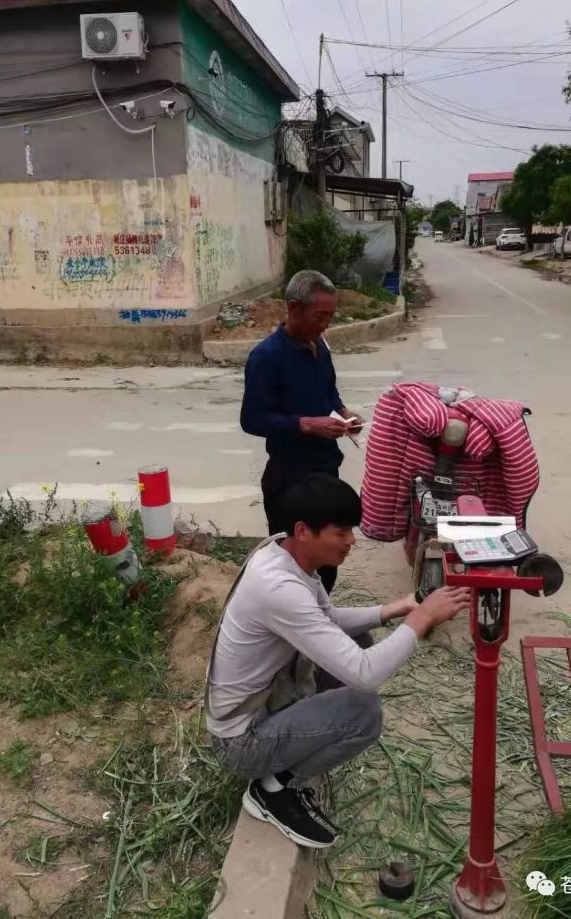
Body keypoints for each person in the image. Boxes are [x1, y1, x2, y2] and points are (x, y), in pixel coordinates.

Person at [205, 474, 470, 850]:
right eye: (341, 532)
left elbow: (325, 619)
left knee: (357, 639)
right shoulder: (279, 589)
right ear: (303, 531)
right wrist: (421, 618)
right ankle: (273, 789)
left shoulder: (282, 553)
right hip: (241, 744)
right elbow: (365, 675)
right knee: (363, 711)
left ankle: (289, 749)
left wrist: (395, 609)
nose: (351, 542)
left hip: (265, 703)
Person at [240, 270, 360, 594]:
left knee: (328, 564)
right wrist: (306, 424)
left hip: (326, 471)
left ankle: (318, 624)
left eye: (331, 317)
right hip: (289, 479)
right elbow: (251, 419)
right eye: (320, 316)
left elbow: (329, 394)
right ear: (293, 308)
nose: (325, 325)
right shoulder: (266, 357)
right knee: (292, 571)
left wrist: (345, 415)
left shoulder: (321, 347)